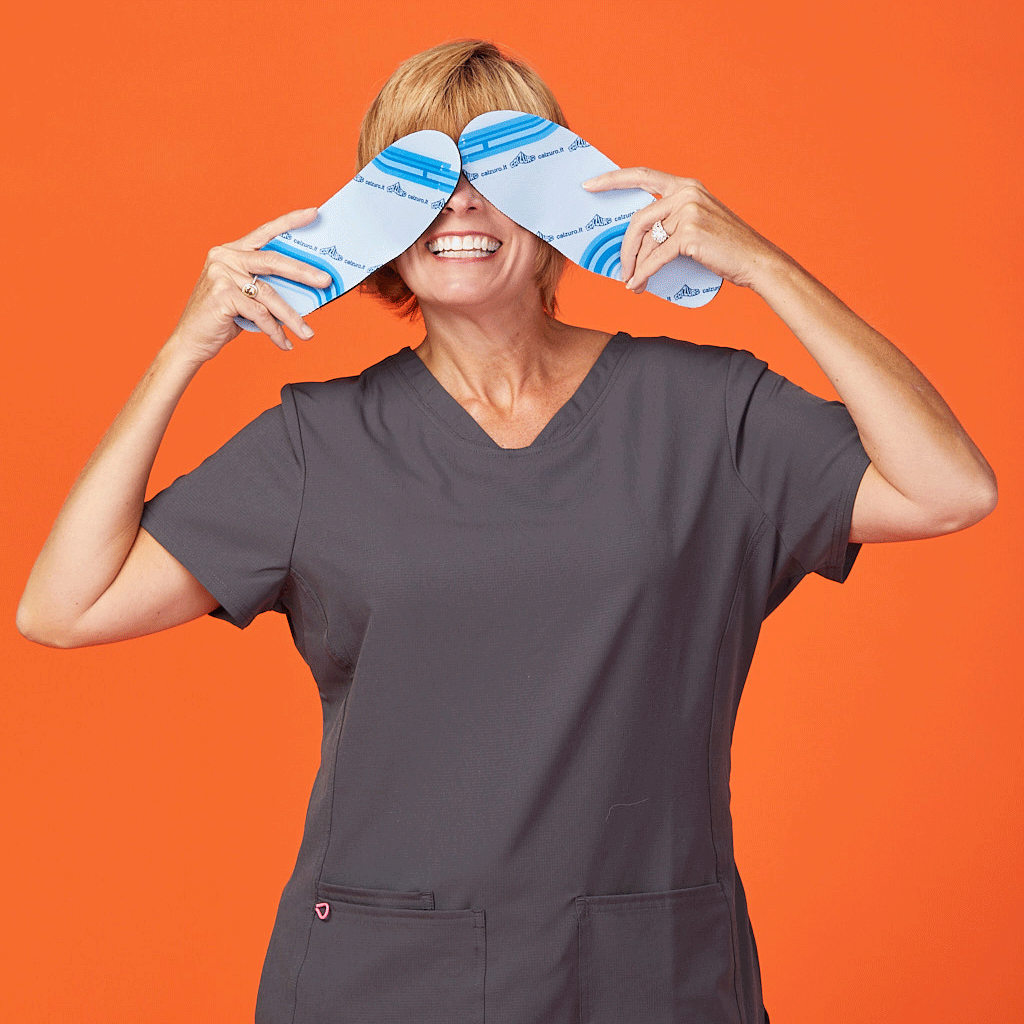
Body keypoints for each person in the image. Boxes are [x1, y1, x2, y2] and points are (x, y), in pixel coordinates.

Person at [17, 38, 996, 1024]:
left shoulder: (708, 412)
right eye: (417, 177)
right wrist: (184, 348)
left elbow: (947, 488)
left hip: (647, 977)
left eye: (496, 170)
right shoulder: (317, 442)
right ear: (371, 221)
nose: (458, 204)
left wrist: (767, 267)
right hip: (381, 983)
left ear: (564, 200)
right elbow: (65, 607)